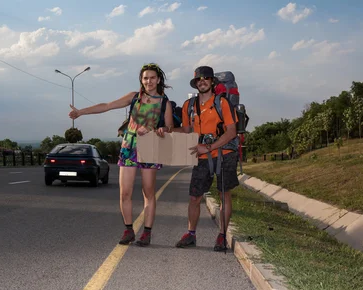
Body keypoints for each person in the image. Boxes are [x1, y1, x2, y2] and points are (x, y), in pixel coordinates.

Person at [69, 63, 173, 247]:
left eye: (152, 78)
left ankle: (147, 233)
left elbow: (169, 127)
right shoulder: (135, 97)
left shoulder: (164, 102)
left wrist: (156, 129)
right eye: (145, 78)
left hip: (150, 147)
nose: (149, 81)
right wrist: (81, 112)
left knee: (148, 192)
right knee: (125, 192)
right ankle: (128, 230)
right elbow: (107, 106)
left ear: (158, 79)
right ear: (141, 80)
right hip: (129, 146)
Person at [163, 65, 239, 251]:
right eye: (199, 79)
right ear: (195, 83)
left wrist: (209, 147)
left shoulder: (222, 103)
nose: (202, 81)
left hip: (224, 154)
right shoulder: (189, 106)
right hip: (202, 157)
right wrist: (168, 131)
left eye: (206, 78)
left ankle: (222, 236)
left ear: (212, 81)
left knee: (223, 194)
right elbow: (187, 130)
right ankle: (191, 234)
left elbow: (231, 132)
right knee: (194, 197)